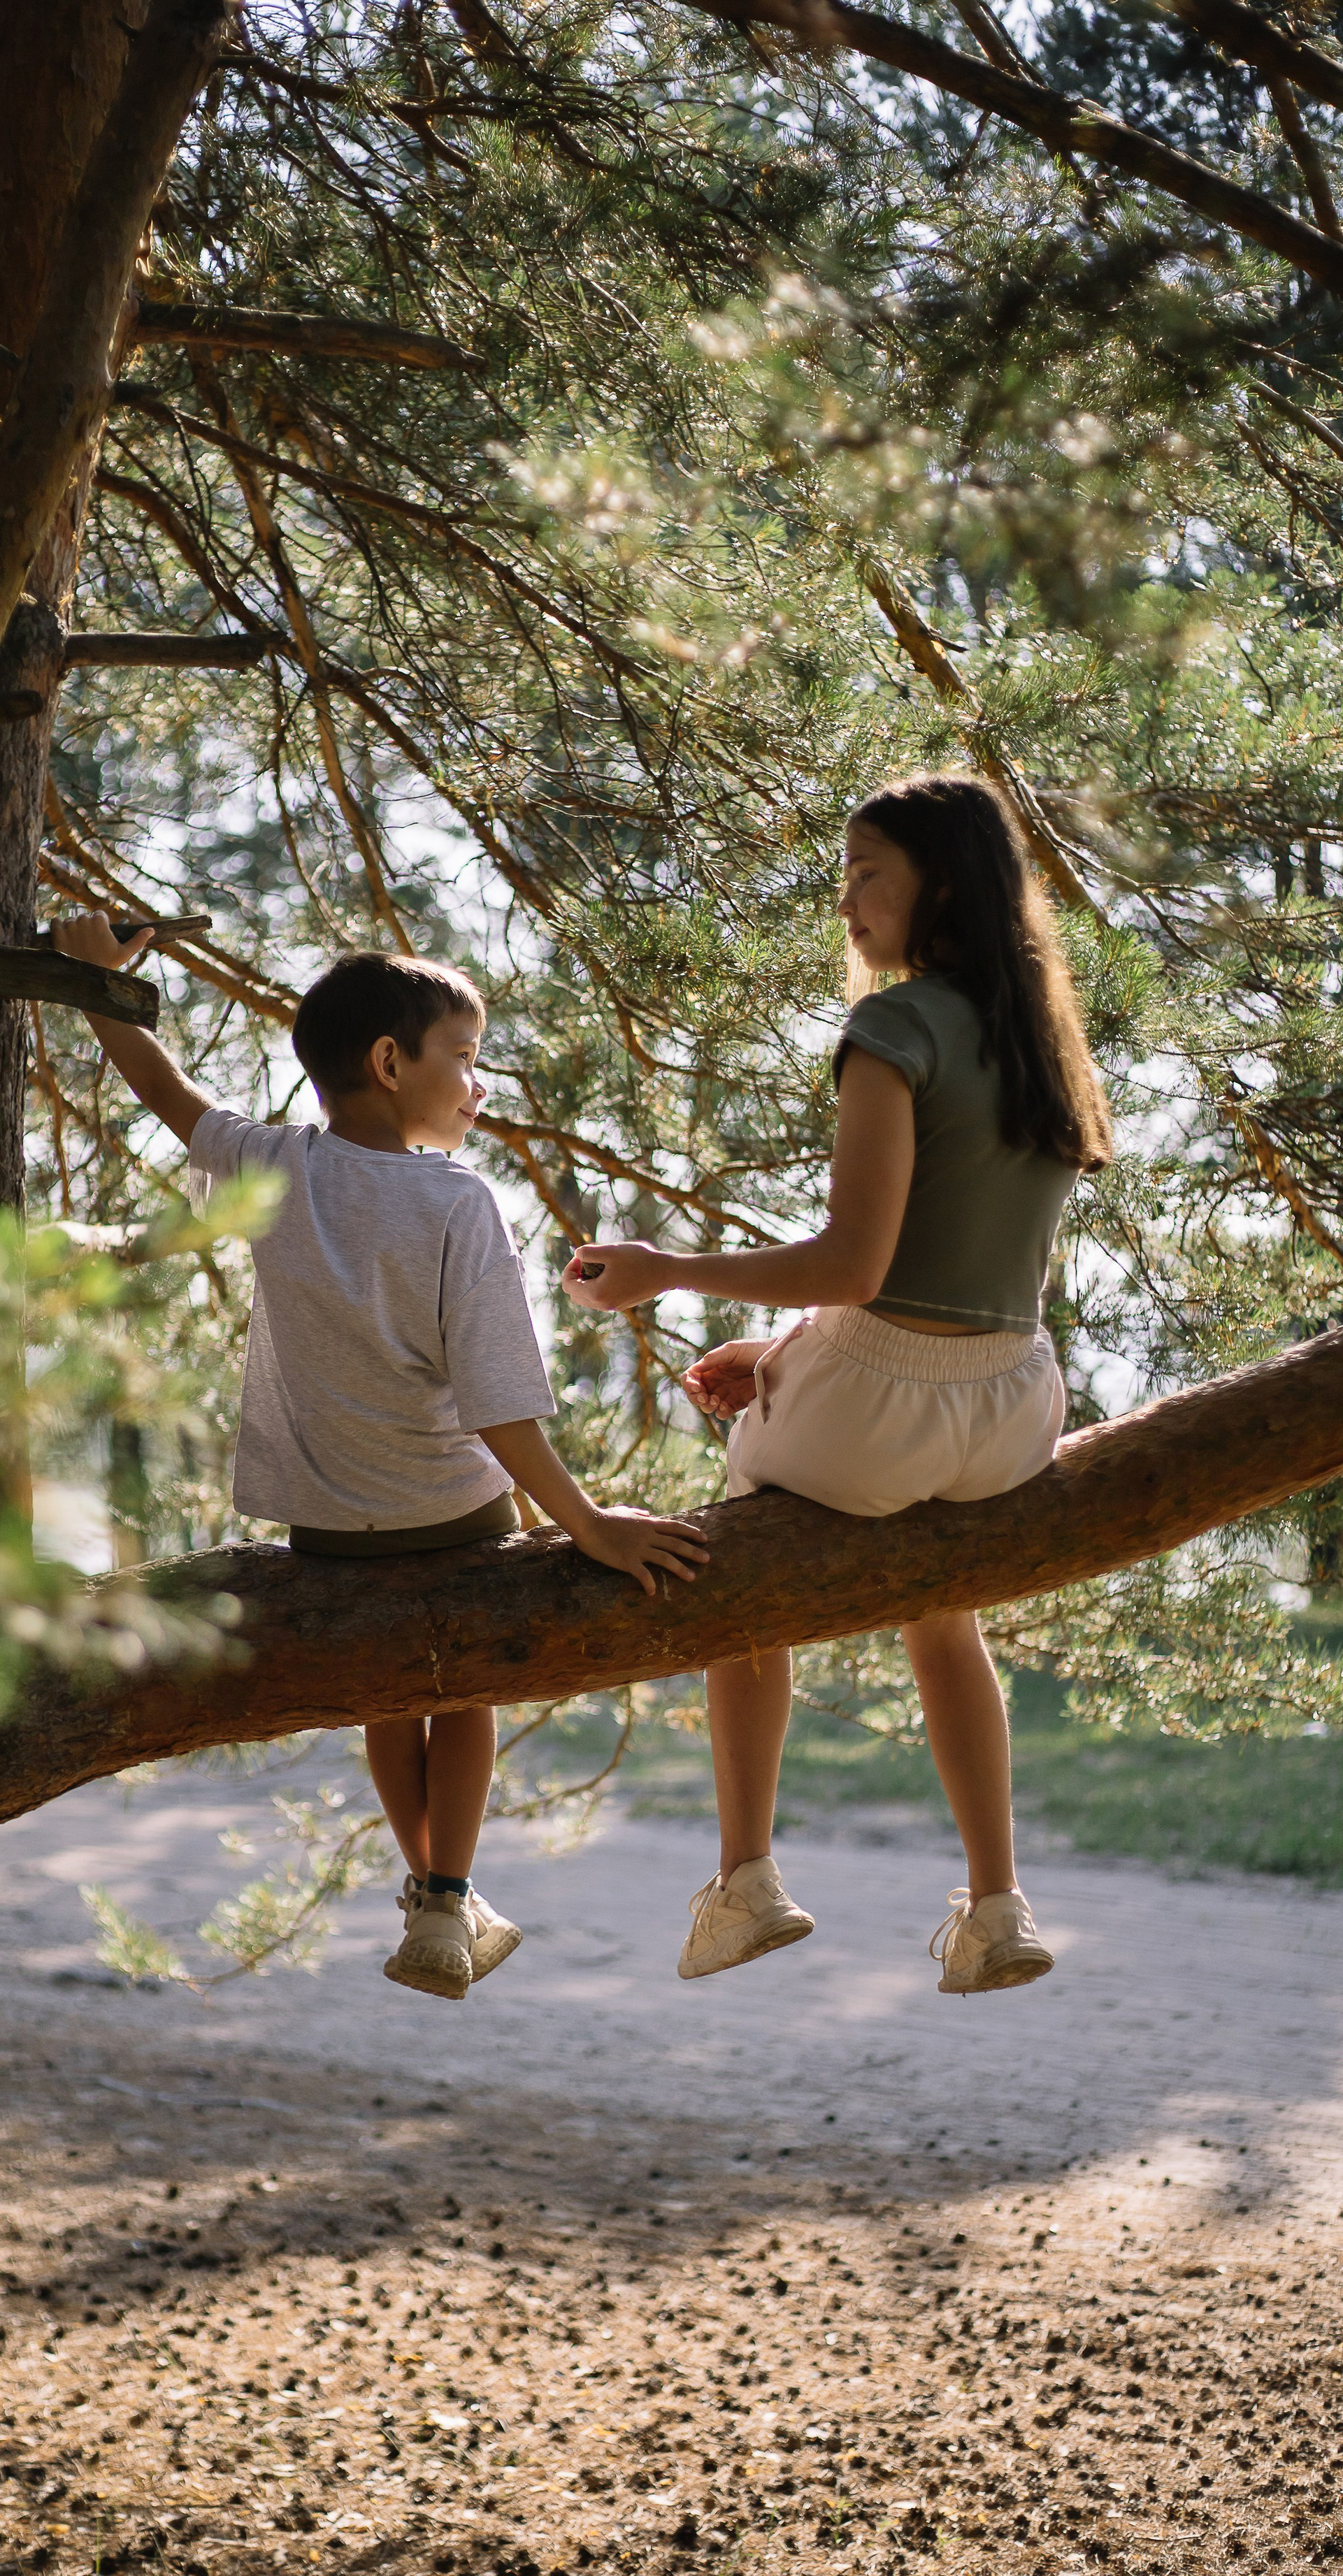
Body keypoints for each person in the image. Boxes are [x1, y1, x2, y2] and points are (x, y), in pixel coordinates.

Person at [52, 925, 710, 2002]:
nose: (479, 1085)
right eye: (464, 1055)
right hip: (450, 1510)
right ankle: (446, 1896)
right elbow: (500, 1402)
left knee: (389, 1697)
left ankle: (435, 1904)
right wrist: (586, 1524)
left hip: (325, 1520)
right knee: (467, 1697)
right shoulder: (457, 1202)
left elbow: (164, 1091)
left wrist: (97, 986)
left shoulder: (273, 1166)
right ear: (390, 1063)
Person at [561, 772, 1112, 1995]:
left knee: (741, 1563)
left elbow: (853, 1268)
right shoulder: (1042, 1047)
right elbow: (953, 1279)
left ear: (943, 886)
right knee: (943, 1608)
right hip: (1015, 1406)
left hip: (878, 1409)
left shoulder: (894, 1028)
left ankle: (746, 1879)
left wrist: (663, 1270)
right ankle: (997, 1906)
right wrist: (787, 1352)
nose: (847, 898)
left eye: (869, 872)